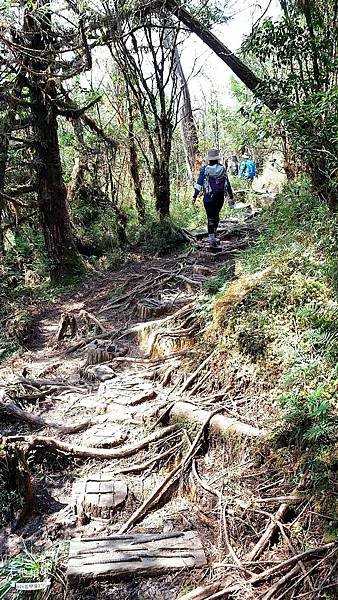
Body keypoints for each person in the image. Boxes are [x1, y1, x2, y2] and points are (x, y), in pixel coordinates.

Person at [193, 148, 234, 248]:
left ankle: (212, 239)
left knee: (210, 218)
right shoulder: (222, 168)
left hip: (208, 198)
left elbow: (199, 184)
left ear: (209, 159)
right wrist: (231, 196)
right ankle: (214, 236)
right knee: (216, 216)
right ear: (217, 159)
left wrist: (195, 196)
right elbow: (227, 184)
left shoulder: (205, 169)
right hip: (219, 197)